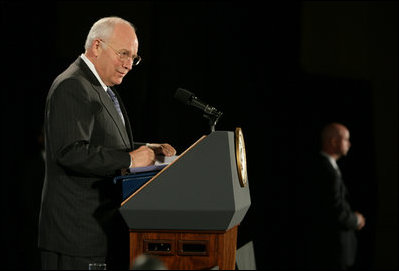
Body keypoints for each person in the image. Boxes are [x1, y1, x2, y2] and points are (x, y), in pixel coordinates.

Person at [38, 16, 176, 270]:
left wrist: (146, 148)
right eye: (123, 54)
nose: (129, 64)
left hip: (98, 233)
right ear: (97, 46)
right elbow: (70, 152)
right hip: (76, 238)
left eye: (133, 57)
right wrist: (130, 159)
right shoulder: (72, 85)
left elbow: (103, 141)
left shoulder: (100, 87)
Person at [302, 122, 366, 270]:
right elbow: (335, 211)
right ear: (333, 141)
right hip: (332, 251)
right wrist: (356, 219)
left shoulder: (325, 167)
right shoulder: (327, 171)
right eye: (346, 139)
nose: (349, 144)